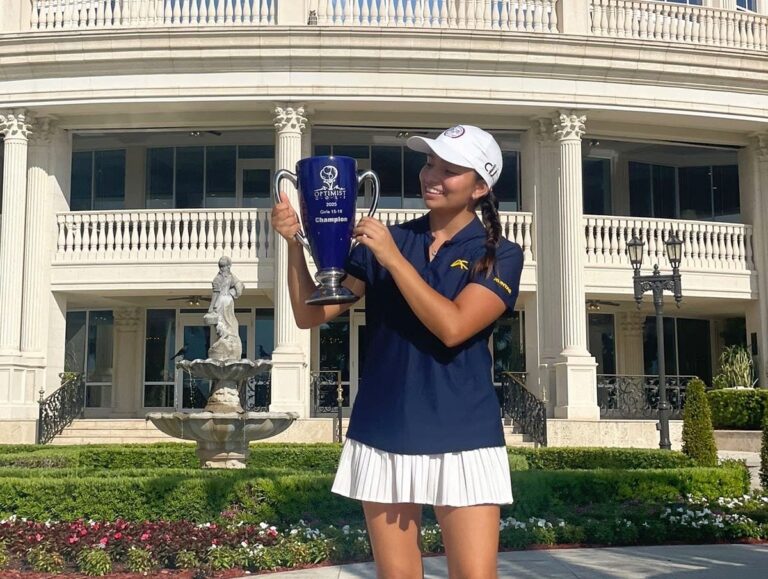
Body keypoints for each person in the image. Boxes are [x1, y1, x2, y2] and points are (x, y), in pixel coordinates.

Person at [272, 125, 524, 579]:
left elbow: (453, 327)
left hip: (462, 433)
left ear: (480, 187)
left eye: (450, 170)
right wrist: (294, 245)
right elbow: (311, 315)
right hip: (384, 429)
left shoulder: (500, 254)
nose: (432, 176)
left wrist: (393, 260)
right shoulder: (390, 241)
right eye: (430, 163)